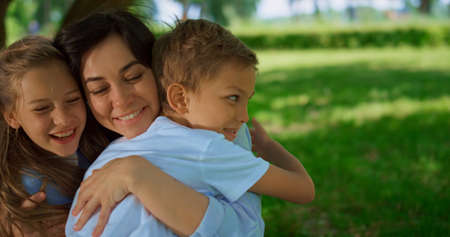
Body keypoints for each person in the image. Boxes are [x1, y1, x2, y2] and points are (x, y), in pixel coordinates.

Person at [56, 13, 315, 237]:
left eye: (133, 76)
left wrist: (135, 174)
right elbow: (302, 190)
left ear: (157, 72)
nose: (121, 100)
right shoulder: (207, 147)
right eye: (99, 89)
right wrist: (267, 146)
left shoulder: (127, 148)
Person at [0, 35, 109, 236]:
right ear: (12, 117)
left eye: (72, 99)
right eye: (42, 108)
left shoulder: (101, 144)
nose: (63, 119)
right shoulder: (17, 190)